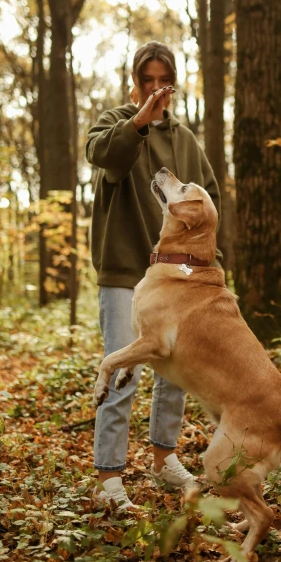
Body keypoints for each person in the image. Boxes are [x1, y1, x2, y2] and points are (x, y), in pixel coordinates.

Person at [86, 41, 221, 510]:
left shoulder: (186, 139)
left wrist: (207, 263)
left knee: (175, 371)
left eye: (164, 79)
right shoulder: (115, 124)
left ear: (174, 83)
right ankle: (109, 478)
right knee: (123, 367)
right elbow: (103, 155)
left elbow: (210, 200)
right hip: (124, 266)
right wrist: (140, 120)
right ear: (135, 81)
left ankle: (164, 458)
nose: (156, 88)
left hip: (179, 275)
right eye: (148, 79)